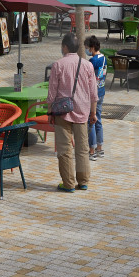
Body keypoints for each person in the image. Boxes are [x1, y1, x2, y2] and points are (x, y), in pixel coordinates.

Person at [47, 33, 97, 192]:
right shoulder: (88, 65)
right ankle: (83, 181)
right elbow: (93, 92)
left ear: (65, 47)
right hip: (82, 111)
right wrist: (93, 113)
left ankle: (68, 184)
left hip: (63, 112)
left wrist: (50, 112)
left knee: (64, 148)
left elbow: (52, 92)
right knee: (82, 149)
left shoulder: (58, 64)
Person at [84, 35, 107, 161]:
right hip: (101, 91)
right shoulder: (104, 58)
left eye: (87, 48)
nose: (87, 50)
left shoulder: (92, 61)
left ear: (92, 48)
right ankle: (100, 148)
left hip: (93, 94)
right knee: (98, 119)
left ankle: (91, 151)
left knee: (91, 121)